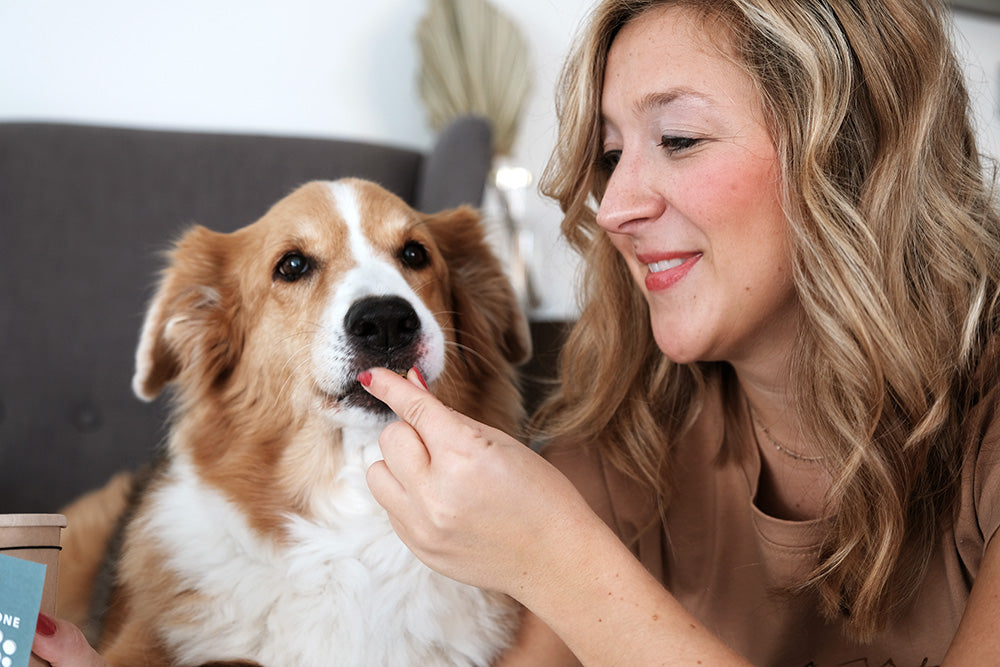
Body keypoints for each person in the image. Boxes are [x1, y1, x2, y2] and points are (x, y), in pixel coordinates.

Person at [34, 0, 1000, 665]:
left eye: (680, 139)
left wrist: (552, 553)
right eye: (610, 154)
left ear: (851, 153)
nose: (613, 205)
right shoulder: (618, 440)